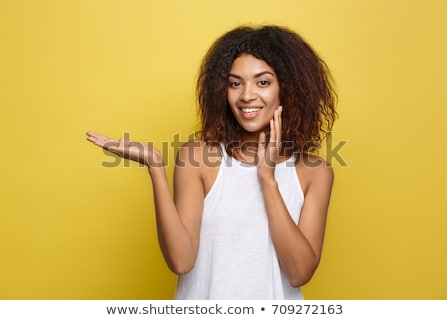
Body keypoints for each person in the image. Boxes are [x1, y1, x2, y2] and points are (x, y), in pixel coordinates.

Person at [86, 24, 337, 299]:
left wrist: (267, 179)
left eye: (262, 82)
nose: (246, 95)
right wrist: (155, 166)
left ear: (288, 89)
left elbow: (300, 272)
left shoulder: (315, 172)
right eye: (235, 83)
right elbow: (181, 261)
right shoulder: (198, 158)